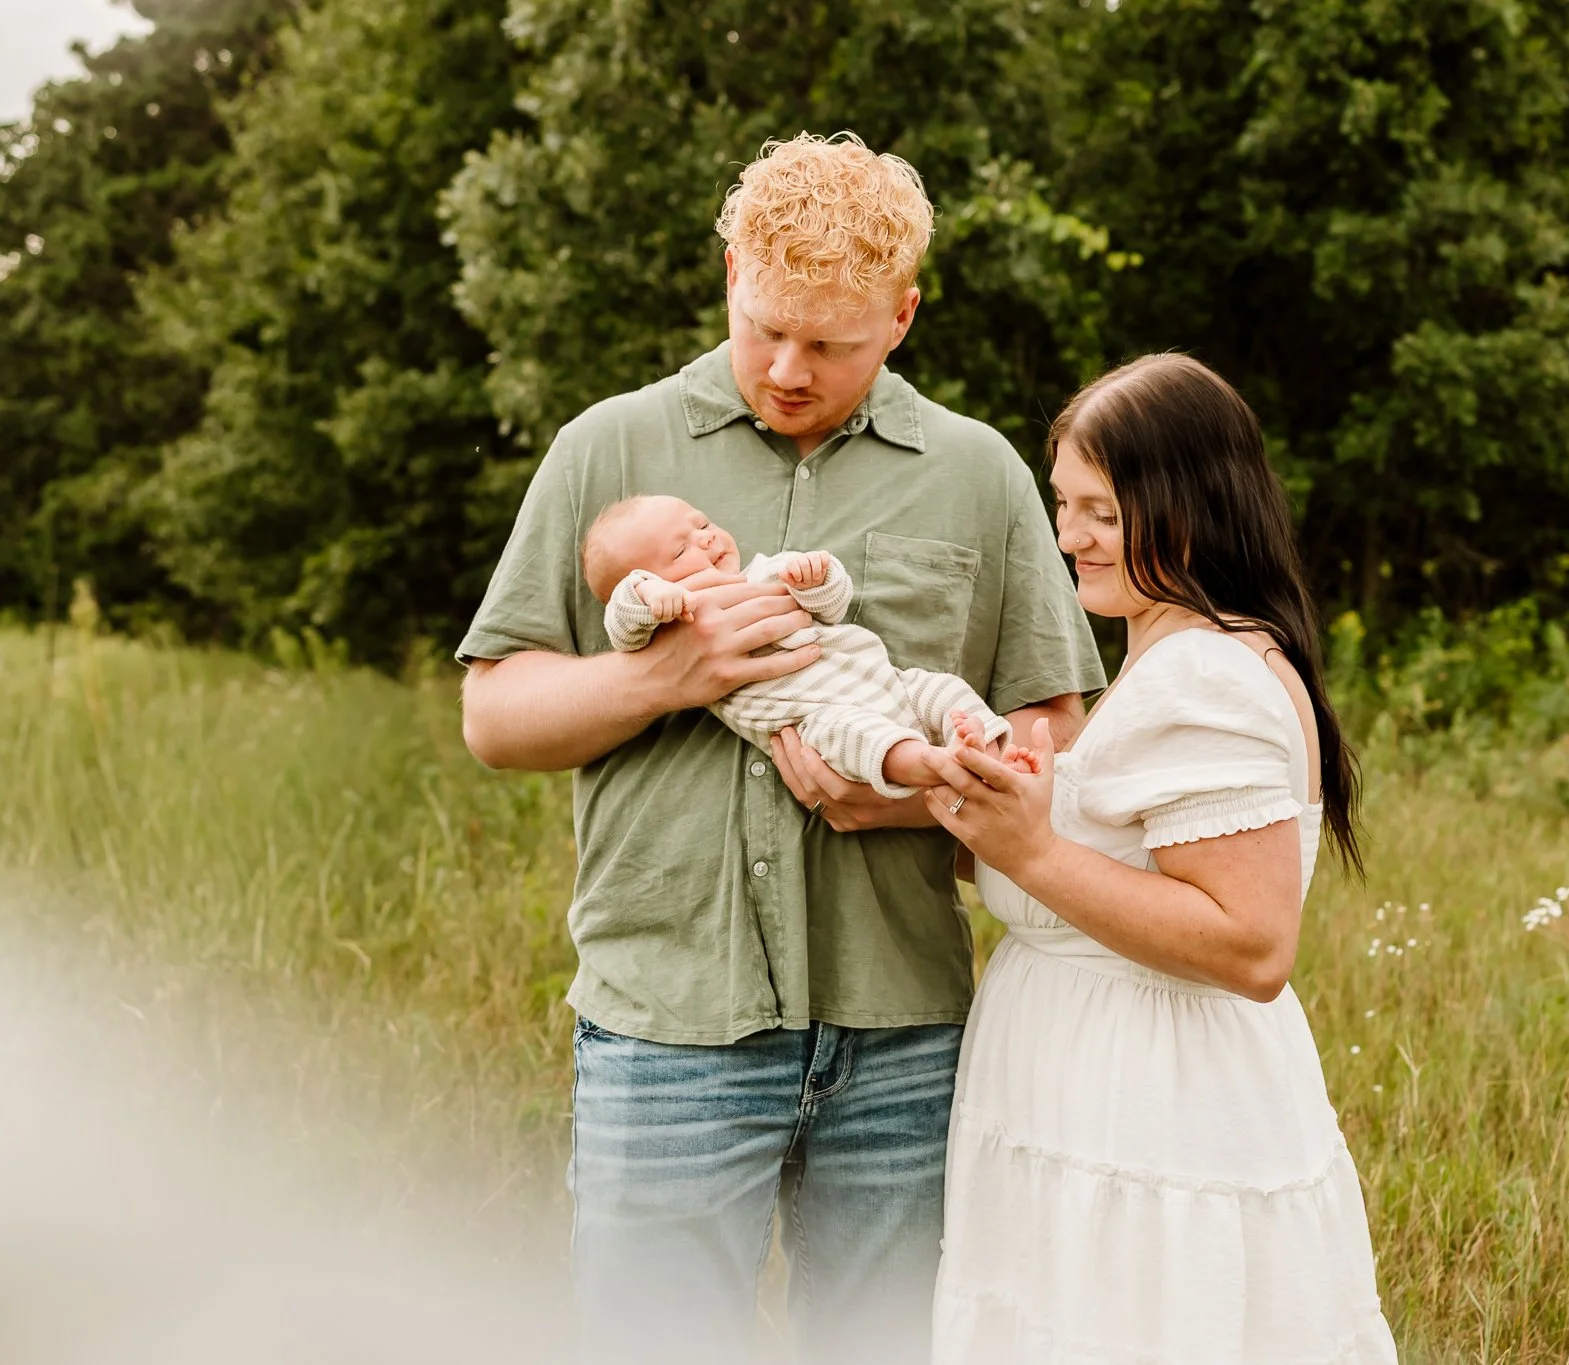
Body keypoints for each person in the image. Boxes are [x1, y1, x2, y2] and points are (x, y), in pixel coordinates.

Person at [456, 132, 1103, 1364]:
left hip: (903, 1034)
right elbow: (494, 714)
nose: (789, 368)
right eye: (765, 328)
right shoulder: (610, 449)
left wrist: (918, 803)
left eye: (832, 343)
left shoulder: (975, 475)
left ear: (902, 316)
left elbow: (1050, 730)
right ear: (730, 273)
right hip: (669, 1029)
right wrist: (664, 676)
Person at [921, 354, 1400, 1364]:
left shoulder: (1205, 679)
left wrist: (1034, 850)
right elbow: (1110, 872)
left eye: (1099, 510)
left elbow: (1249, 945)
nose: (1066, 537)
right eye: (1061, 503)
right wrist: (971, 815)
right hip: (1089, 1087)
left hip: (1148, 1105)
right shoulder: (1165, 648)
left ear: (1184, 502)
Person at [584, 493, 1010, 794]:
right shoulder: (672, 624)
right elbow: (622, 624)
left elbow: (832, 605)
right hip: (818, 715)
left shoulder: (766, 571)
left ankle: (988, 752)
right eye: (680, 551)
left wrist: (816, 577)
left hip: (889, 680)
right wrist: (648, 596)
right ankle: (929, 763)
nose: (707, 539)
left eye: (703, 524)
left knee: (943, 690)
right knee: (855, 738)